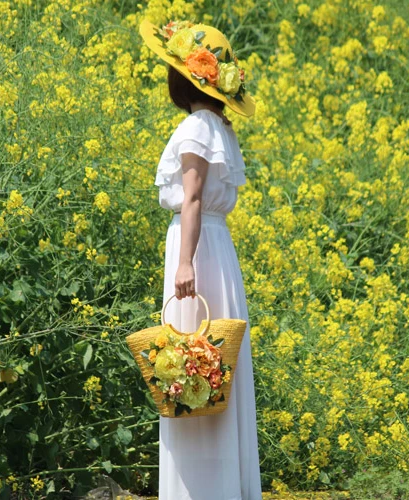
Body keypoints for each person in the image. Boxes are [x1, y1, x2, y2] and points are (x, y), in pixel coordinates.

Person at [139, 19, 263, 500]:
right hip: (219, 248)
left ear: (182, 79)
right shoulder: (221, 128)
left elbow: (190, 200)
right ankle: (224, 486)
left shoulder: (195, 127)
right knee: (211, 361)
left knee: (188, 360)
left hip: (195, 249)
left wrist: (184, 264)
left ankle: (195, 491)